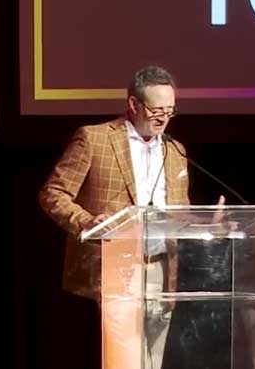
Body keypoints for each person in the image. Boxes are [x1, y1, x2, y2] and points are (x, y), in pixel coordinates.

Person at [39, 65, 207, 369]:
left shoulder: (175, 151)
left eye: (170, 110)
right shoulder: (94, 139)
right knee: (126, 361)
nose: (164, 118)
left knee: (153, 361)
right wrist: (87, 222)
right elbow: (53, 193)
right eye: (156, 110)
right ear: (133, 104)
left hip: (161, 270)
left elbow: (178, 212)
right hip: (117, 265)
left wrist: (208, 222)